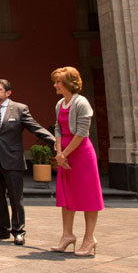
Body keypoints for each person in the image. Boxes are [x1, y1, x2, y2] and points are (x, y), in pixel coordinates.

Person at [0, 79, 55, 246]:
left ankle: (18, 231)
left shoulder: (19, 109)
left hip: (13, 160)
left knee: (16, 197)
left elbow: (35, 128)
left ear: (8, 92)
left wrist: (55, 142)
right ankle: (2, 229)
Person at [49, 66, 104, 256]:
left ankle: (89, 239)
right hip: (64, 154)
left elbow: (82, 132)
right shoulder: (60, 104)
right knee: (66, 196)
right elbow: (57, 128)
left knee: (88, 196)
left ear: (68, 83)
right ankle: (67, 235)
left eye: (58, 81)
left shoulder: (82, 103)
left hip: (81, 156)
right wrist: (59, 151)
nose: (55, 85)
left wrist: (65, 154)